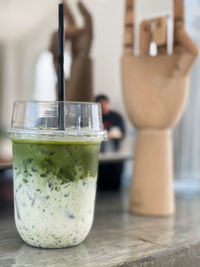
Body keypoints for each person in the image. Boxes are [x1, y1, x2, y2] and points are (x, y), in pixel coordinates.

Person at [95, 94, 126, 191]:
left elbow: (122, 133)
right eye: (100, 104)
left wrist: (110, 134)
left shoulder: (116, 117)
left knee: (116, 174)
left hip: (115, 152)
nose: (103, 106)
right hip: (99, 153)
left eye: (105, 103)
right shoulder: (94, 118)